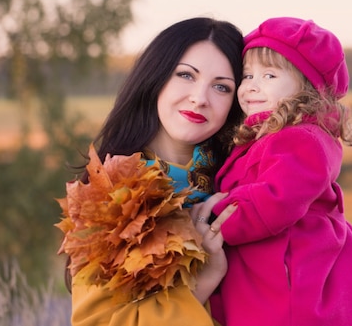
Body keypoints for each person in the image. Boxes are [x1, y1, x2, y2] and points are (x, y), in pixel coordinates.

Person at [56, 17, 244, 326]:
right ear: (156, 78)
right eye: (186, 75)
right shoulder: (111, 199)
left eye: (221, 87)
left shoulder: (240, 185)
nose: (200, 98)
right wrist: (206, 278)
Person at [209, 17, 352, 326]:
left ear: (307, 87)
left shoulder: (302, 139)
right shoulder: (268, 133)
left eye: (269, 75)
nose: (252, 85)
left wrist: (209, 217)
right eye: (248, 75)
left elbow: (273, 201)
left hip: (287, 283)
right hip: (261, 274)